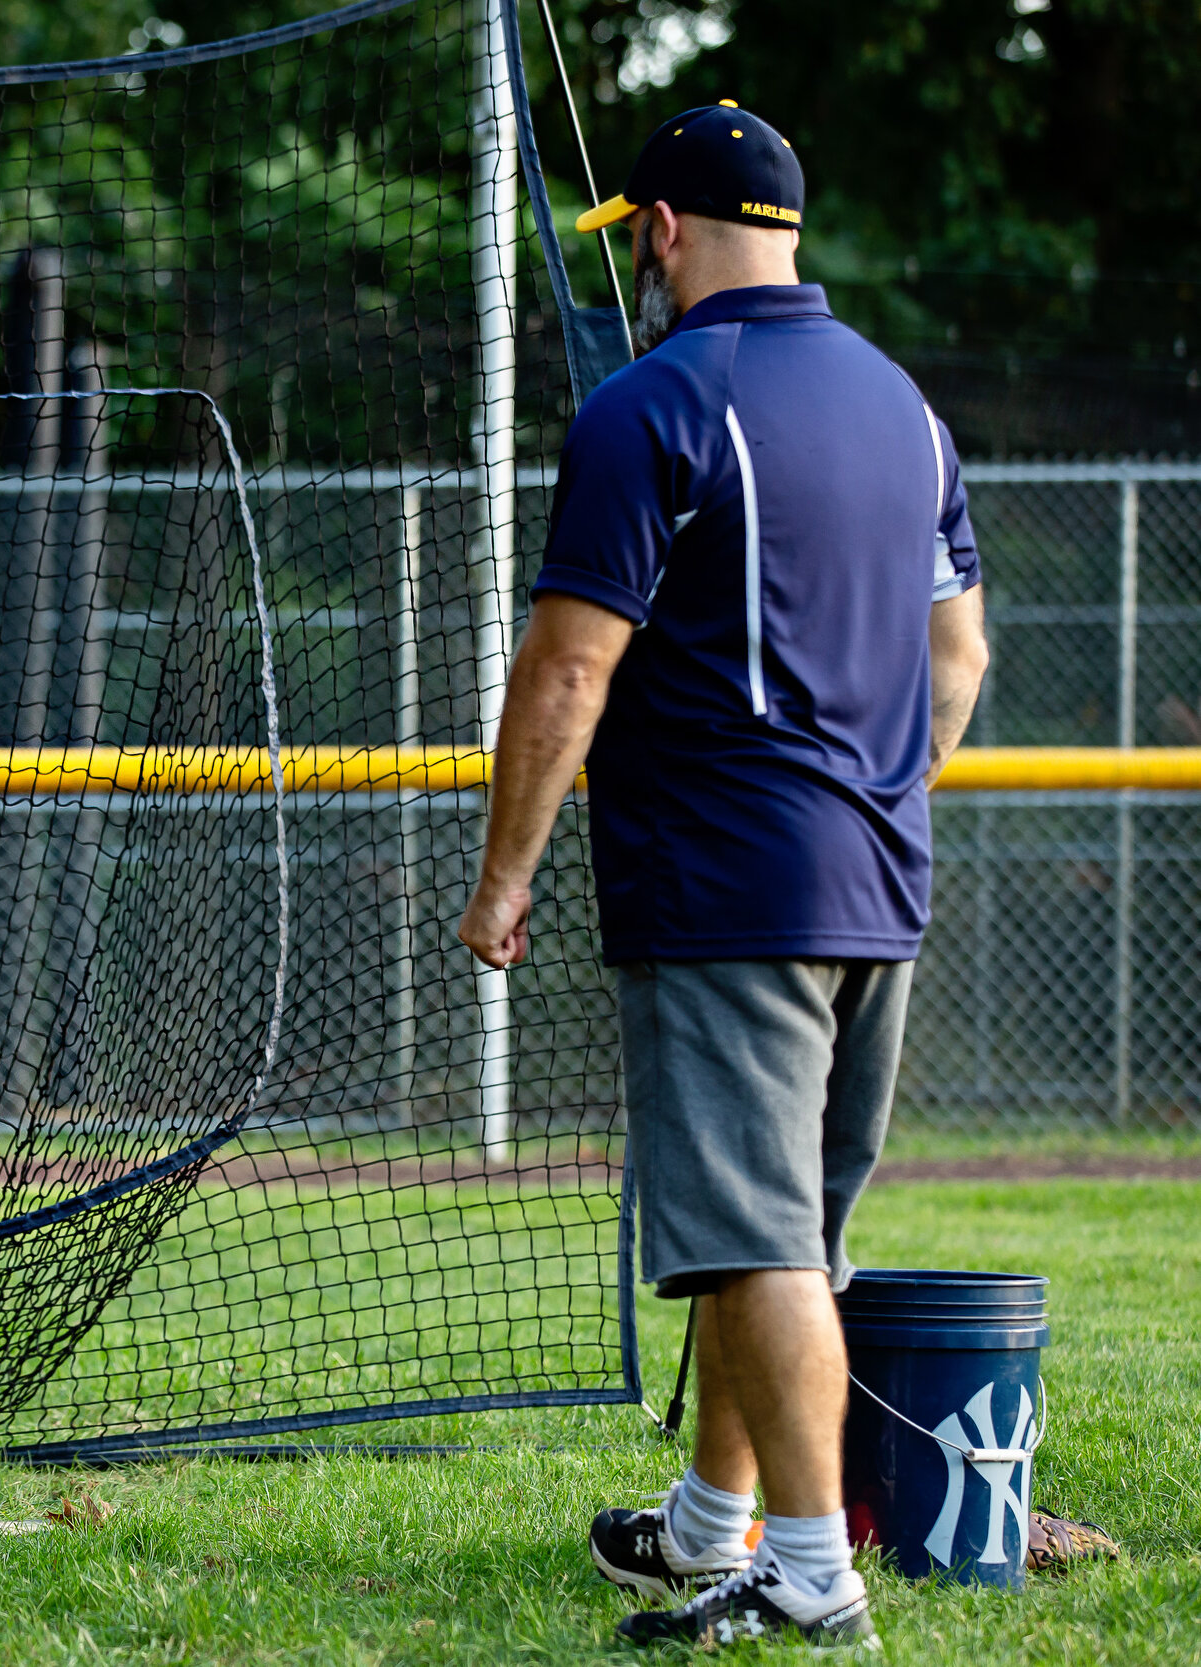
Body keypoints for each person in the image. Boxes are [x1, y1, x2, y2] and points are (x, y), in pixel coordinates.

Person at [457, 103, 990, 1650]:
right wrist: (871, 796)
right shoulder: (910, 410)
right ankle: (706, 1526)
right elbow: (957, 657)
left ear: (669, 231)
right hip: (879, 878)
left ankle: (813, 1570)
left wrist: (505, 876)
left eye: (638, 242)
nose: (639, 266)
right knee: (786, 1226)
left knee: (755, 1237)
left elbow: (565, 672)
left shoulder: (652, 403)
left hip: (726, 893)